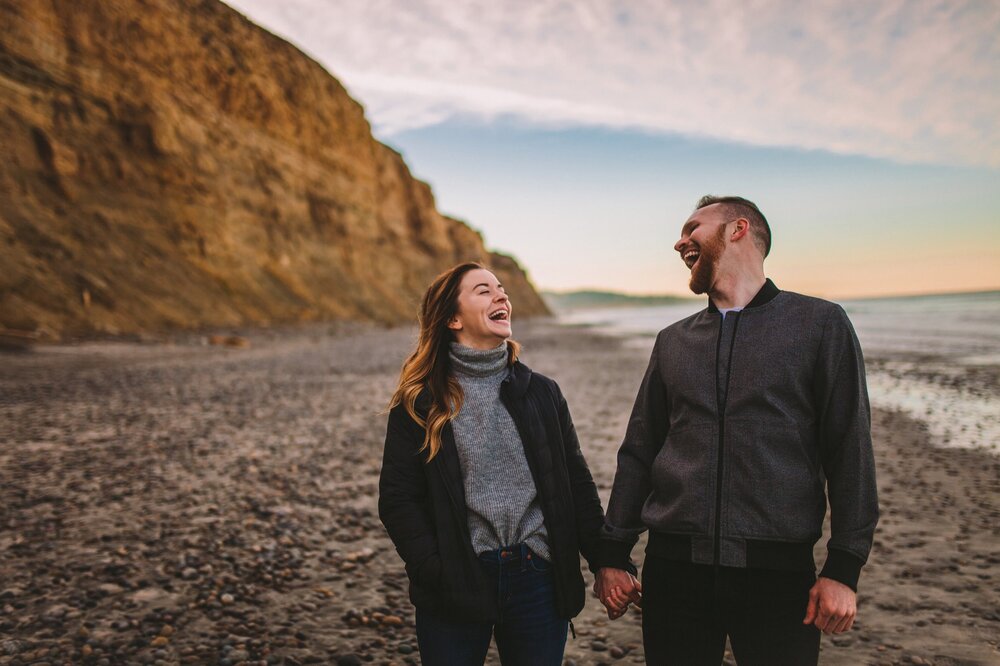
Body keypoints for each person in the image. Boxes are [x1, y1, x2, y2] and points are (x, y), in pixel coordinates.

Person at [593, 196, 879, 664]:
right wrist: (613, 554)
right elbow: (641, 451)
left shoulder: (819, 325)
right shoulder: (673, 341)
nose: (680, 242)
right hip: (673, 572)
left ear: (738, 229)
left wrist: (844, 567)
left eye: (693, 228)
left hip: (779, 576)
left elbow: (850, 451)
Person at [379, 262, 617, 665]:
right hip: (456, 577)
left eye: (501, 288)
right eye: (483, 290)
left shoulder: (542, 393)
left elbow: (575, 482)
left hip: (538, 576)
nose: (501, 295)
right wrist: (435, 570)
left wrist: (606, 560)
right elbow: (398, 500)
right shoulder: (420, 403)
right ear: (453, 318)